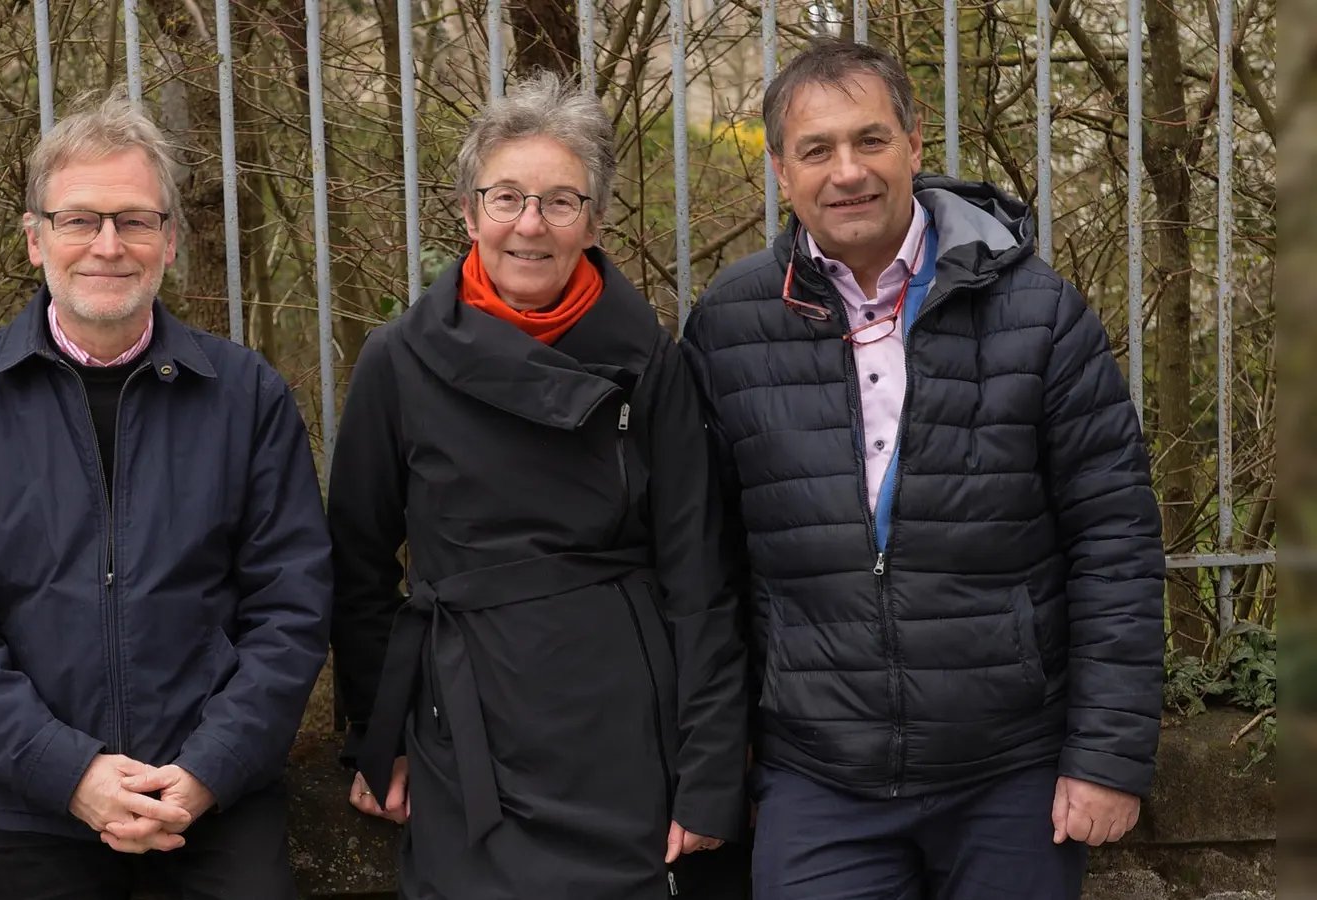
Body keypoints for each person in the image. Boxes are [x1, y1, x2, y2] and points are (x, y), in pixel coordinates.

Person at [681, 38, 1166, 900]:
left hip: (1010, 776)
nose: (847, 171)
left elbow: (1114, 541)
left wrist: (1107, 757)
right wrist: (719, 759)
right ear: (783, 175)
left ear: (913, 145)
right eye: (816, 150)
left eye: (870, 140)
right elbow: (706, 563)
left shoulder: (1038, 312)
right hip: (818, 779)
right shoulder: (728, 326)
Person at [0, 89, 333, 900]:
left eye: (133, 220)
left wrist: (208, 769)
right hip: (39, 811)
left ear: (168, 241)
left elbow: (293, 607)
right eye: (79, 219)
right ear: (35, 240)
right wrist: (70, 772)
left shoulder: (247, 396)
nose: (107, 244)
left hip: (215, 810)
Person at [327, 71, 748, 899]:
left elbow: (702, 579)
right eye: (507, 197)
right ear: (466, 209)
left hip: (624, 727)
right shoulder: (397, 361)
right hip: (463, 723)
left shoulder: (655, 363)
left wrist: (708, 773)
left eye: (561, 202)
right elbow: (359, 567)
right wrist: (380, 742)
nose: (530, 225)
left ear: (594, 219)